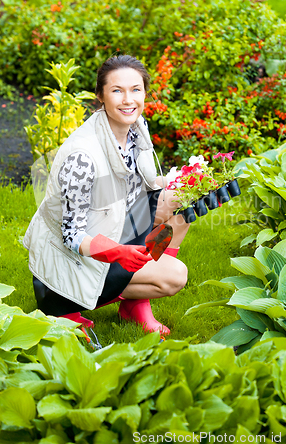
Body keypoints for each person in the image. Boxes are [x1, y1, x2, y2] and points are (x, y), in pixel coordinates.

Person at [23, 54, 191, 335]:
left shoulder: (136, 129)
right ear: (100, 96)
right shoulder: (82, 155)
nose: (128, 100)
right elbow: (71, 234)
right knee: (175, 275)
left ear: (145, 93)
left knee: (181, 207)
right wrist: (119, 253)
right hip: (71, 262)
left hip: (113, 232)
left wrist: (187, 184)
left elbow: (142, 188)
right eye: (117, 91)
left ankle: (136, 305)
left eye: (136, 90)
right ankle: (64, 306)